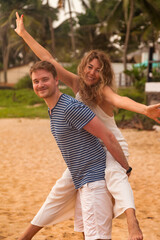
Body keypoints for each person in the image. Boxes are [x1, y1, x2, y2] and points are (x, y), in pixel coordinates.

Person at [15, 12, 160, 240]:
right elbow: (49, 59)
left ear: (104, 73)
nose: (93, 72)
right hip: (90, 148)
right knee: (61, 188)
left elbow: (121, 101)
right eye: (90, 67)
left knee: (114, 174)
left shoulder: (103, 91)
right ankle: (27, 235)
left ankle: (133, 223)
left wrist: (145, 109)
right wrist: (24, 34)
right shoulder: (75, 83)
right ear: (83, 67)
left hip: (111, 144)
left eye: (98, 69)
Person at [27, 60, 130, 240]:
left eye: (45, 79)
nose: (40, 84)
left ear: (56, 80)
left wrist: (126, 168)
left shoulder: (70, 107)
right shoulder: (54, 109)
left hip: (94, 182)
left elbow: (108, 137)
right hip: (82, 183)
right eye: (36, 81)